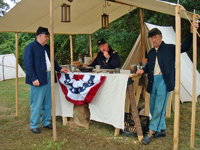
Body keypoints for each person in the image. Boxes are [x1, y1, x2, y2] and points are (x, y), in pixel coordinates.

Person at [136, 23, 199, 145]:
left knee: (160, 107)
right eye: (152, 38)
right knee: (154, 107)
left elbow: (185, 47)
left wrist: (192, 32)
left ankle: (152, 131)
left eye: (155, 37)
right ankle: (162, 130)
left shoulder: (170, 48)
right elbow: (149, 65)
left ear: (161, 37)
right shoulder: (151, 52)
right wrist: (143, 70)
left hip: (164, 81)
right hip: (152, 81)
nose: (153, 40)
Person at [24, 26, 68, 134]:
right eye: (46, 36)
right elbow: (28, 65)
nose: (48, 38)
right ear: (39, 35)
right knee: (37, 102)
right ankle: (34, 124)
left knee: (48, 101)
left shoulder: (48, 47)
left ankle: (46, 122)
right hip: (38, 78)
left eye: (48, 36)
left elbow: (53, 62)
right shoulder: (30, 47)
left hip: (49, 76)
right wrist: (33, 78)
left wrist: (60, 69)